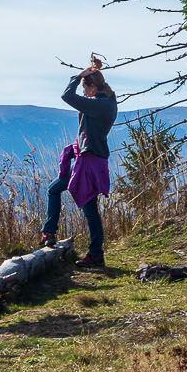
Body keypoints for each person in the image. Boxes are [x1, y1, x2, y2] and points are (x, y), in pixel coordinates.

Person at [43, 58, 117, 269]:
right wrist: (91, 72)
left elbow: (67, 95)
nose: (84, 93)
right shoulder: (109, 101)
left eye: (86, 88)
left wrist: (79, 75)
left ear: (92, 88)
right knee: (85, 205)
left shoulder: (96, 105)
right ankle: (94, 253)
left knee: (72, 199)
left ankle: (53, 235)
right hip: (94, 160)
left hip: (89, 162)